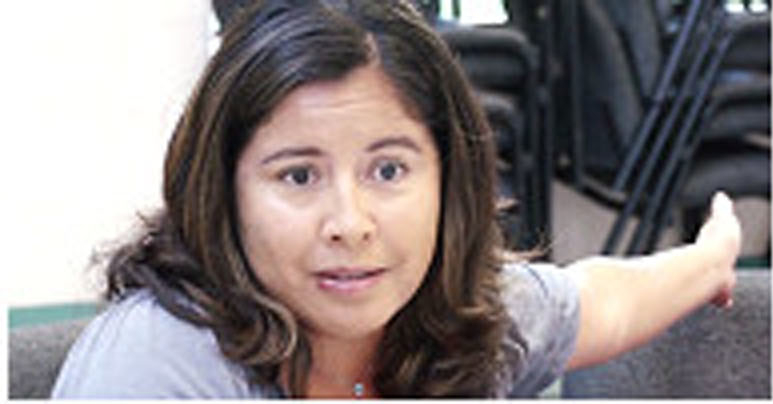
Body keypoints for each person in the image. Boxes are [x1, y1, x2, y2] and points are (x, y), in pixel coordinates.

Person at [51, 0, 741, 398]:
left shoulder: (449, 314)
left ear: (449, 178)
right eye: (298, 176)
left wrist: (711, 259)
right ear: (223, 193)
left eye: (387, 171)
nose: (350, 224)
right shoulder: (158, 364)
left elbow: (602, 301)